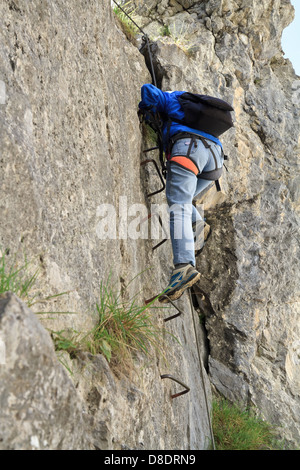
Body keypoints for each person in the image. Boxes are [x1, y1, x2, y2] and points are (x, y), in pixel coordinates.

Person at [139, 83, 227, 303]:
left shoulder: (173, 98)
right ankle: (197, 223)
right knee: (184, 201)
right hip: (215, 161)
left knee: (177, 205)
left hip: (189, 148)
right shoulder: (199, 112)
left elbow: (148, 90)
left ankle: (184, 267)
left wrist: (147, 107)